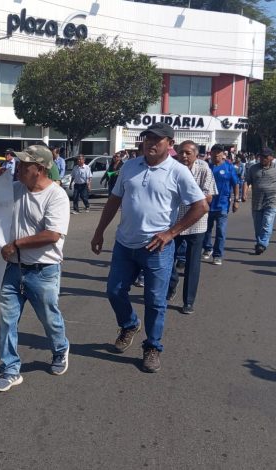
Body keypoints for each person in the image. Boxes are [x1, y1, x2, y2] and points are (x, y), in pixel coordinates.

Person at [91, 123, 207, 373]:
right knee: (114, 291)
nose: (151, 143)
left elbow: (201, 206)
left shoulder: (178, 171)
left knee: (155, 301)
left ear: (170, 144)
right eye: (148, 138)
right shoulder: (130, 166)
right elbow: (114, 199)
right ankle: (130, 324)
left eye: (158, 139)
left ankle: (152, 346)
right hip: (124, 244)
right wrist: (99, 231)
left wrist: (170, 233)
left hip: (157, 248)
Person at [0, 144, 70, 392]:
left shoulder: (56, 196)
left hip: (43, 270)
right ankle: (11, 369)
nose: (19, 168)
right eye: (19, 163)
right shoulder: (15, 189)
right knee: (6, 319)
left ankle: (60, 349)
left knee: (49, 318)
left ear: (40, 169)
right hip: (13, 269)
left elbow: (52, 235)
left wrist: (15, 244)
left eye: (25, 165)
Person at [165, 140, 216, 315]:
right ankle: (172, 284)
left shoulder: (204, 169)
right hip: (175, 222)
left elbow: (208, 197)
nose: (184, 156)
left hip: (196, 222)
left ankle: (188, 301)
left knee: (193, 264)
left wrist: (187, 198)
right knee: (167, 259)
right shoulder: (171, 167)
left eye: (188, 153)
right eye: (181, 153)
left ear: (196, 154)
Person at [201, 144, 239, 265]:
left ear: (223, 154)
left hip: (222, 204)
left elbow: (236, 184)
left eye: (219, 152)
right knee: (206, 230)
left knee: (220, 231)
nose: (217, 154)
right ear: (210, 153)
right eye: (214, 152)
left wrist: (236, 200)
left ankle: (218, 255)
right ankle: (208, 248)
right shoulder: (206, 166)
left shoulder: (229, 167)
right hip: (207, 204)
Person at [245, 148, 276, 254]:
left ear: (271, 157)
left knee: (267, 223)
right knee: (258, 226)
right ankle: (260, 242)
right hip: (256, 201)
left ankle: (262, 244)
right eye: (261, 156)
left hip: (272, 201)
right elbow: (247, 182)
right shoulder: (253, 168)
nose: (262, 158)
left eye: (265, 156)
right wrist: (244, 194)